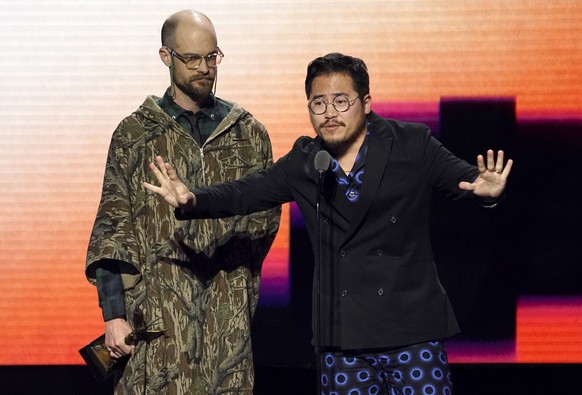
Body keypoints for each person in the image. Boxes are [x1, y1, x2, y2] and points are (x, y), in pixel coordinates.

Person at [144, 53, 513, 395]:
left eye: (341, 101)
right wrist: (194, 198)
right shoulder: (306, 161)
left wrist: (486, 190)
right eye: (318, 103)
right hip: (342, 336)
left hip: (411, 330)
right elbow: (245, 193)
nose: (329, 113)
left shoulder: (410, 143)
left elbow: (463, 180)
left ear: (366, 104)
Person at [85, 10, 280, 394]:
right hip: (156, 325)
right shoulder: (136, 134)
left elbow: (265, 223)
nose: (205, 68)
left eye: (212, 56)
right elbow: (113, 226)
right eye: (192, 59)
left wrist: (233, 291)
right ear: (166, 57)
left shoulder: (248, 134)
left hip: (227, 327)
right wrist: (115, 316)